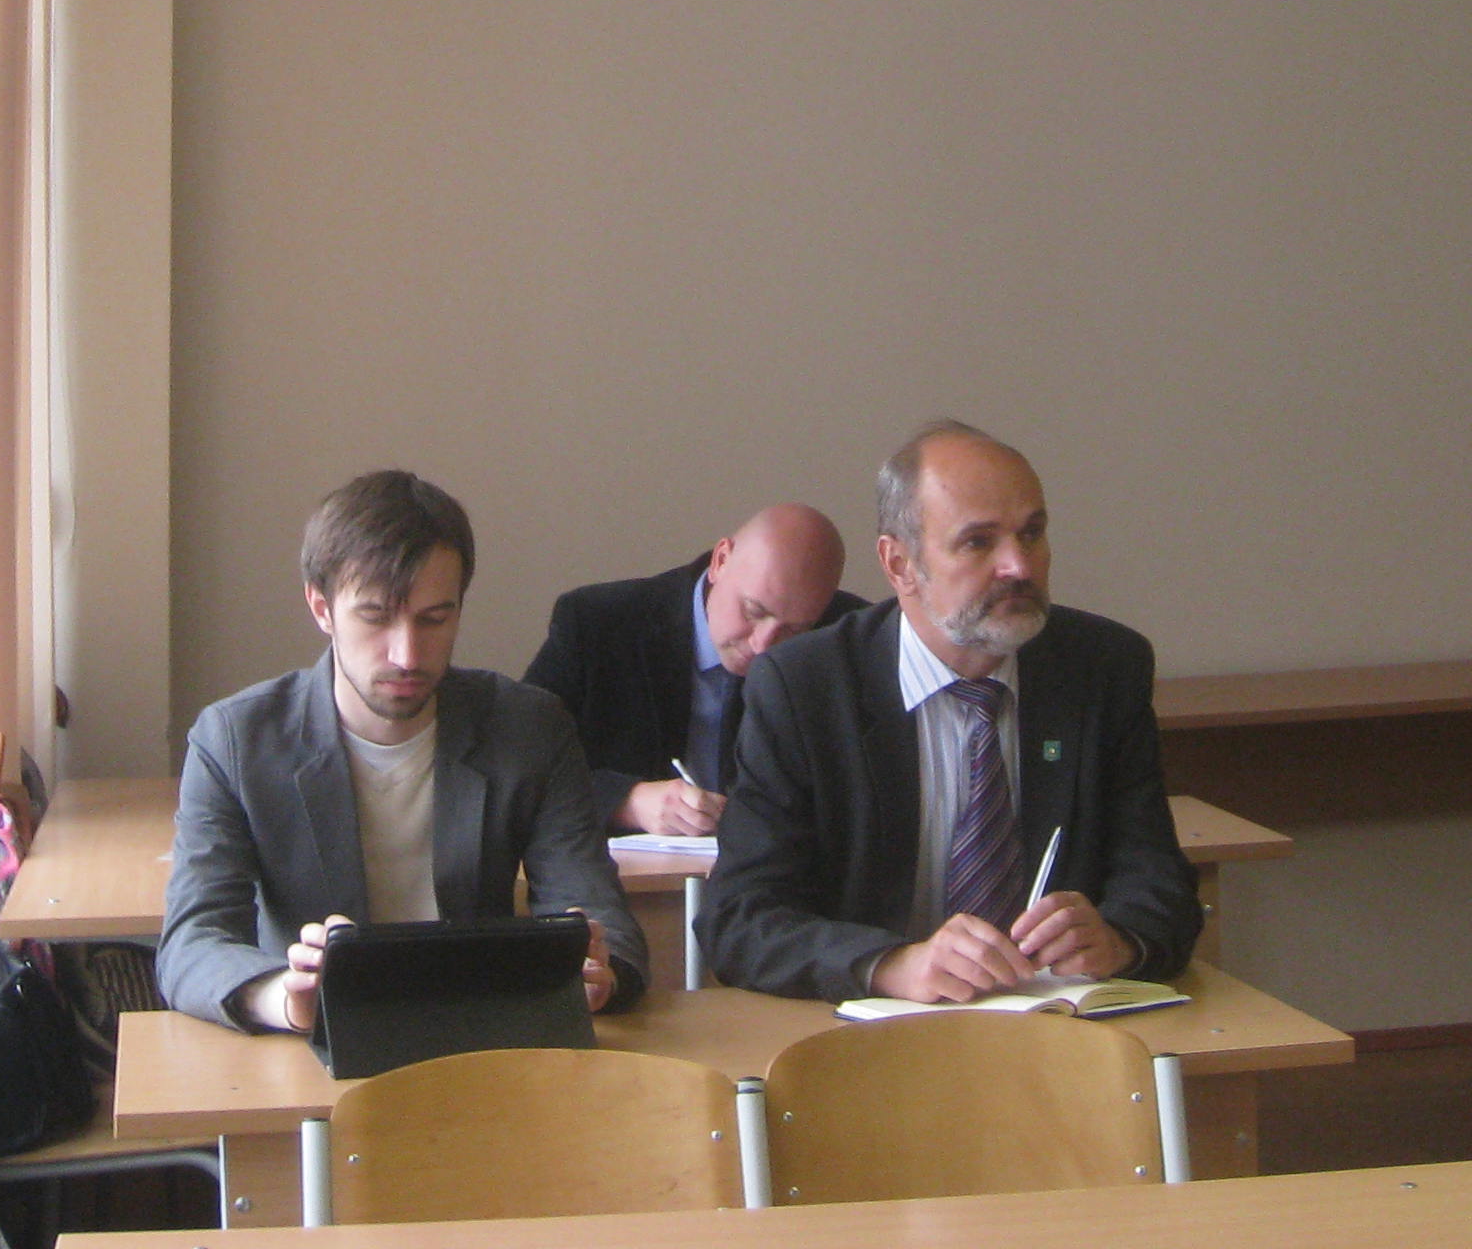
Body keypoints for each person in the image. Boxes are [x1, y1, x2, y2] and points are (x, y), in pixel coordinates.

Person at [699, 423, 1201, 1004]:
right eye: (978, 542)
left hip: (1057, 1024)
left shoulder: (1101, 667)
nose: (1018, 566)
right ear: (899, 564)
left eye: (1031, 534)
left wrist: (1118, 939)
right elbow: (739, 918)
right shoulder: (806, 686)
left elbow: (1159, 881)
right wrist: (891, 964)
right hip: (876, 1033)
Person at [158, 468, 647, 1031]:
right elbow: (192, 943)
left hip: (482, 1028)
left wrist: (597, 971)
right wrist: (284, 997)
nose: (407, 654)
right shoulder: (235, 740)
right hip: (314, 1042)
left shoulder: (529, 727)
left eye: (434, 619)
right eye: (375, 617)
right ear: (321, 608)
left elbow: (597, 909)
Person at [523, 503, 857, 836]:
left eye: (794, 630)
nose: (762, 645)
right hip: (627, 867)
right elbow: (522, 763)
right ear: (721, 561)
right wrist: (627, 801)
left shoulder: (845, 639)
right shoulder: (598, 623)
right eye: (753, 611)